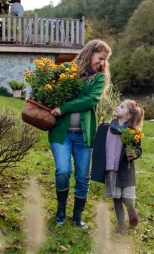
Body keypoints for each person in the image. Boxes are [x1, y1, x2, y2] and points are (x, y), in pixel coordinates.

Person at [48, 39, 112, 229]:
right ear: (90, 53)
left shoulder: (98, 79)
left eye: (104, 61)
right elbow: (47, 87)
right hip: (62, 134)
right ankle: (60, 210)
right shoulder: (67, 69)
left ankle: (77, 216)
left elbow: (90, 100)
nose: (101, 63)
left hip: (84, 136)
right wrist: (34, 96)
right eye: (100, 58)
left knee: (83, 176)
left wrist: (65, 107)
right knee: (63, 171)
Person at [91, 99, 144, 235]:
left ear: (128, 116)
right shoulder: (106, 129)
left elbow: (138, 149)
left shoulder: (132, 132)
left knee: (127, 198)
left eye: (121, 107)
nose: (117, 107)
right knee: (117, 199)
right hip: (111, 170)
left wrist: (133, 154)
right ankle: (121, 226)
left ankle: (132, 211)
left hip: (125, 170)